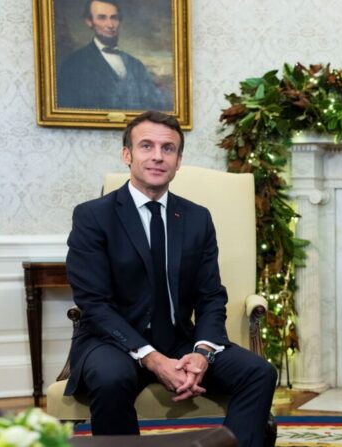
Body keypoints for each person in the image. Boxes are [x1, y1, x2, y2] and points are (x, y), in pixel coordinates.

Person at [64, 111, 277, 447]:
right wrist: (151, 357)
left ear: (178, 160)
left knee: (259, 372)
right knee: (111, 377)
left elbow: (210, 296)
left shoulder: (196, 218)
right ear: (127, 154)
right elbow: (94, 304)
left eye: (168, 149)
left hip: (178, 338)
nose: (157, 156)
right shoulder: (93, 216)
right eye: (146, 146)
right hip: (110, 341)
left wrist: (203, 352)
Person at [57, 0, 172, 110]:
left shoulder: (136, 65)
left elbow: (154, 106)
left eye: (114, 18)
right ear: (89, 22)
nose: (110, 25)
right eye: (102, 18)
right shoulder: (73, 64)